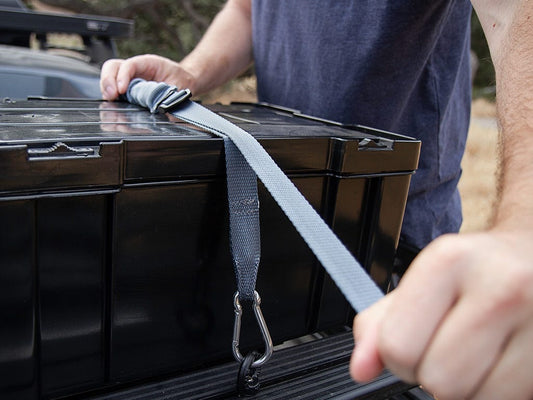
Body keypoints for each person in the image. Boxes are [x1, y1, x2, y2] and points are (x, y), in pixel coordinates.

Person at [100, 1, 533, 398]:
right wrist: (189, 73)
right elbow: (248, 10)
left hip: (386, 245)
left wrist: (523, 231)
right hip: (277, 227)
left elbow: (517, 14)